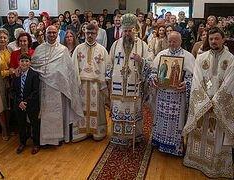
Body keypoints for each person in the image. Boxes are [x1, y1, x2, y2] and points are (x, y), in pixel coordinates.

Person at [183, 27, 234, 179]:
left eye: (216, 39)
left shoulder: (231, 59)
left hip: (219, 107)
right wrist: (204, 103)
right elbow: (196, 81)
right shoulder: (201, 57)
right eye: (211, 39)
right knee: (201, 132)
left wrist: (215, 103)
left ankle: (215, 167)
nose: (213, 41)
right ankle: (195, 160)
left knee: (216, 134)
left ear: (223, 40)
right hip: (202, 105)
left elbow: (230, 83)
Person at [31, 25, 83, 145]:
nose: (52, 35)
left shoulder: (62, 50)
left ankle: (58, 139)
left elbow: (69, 70)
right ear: (45, 34)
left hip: (58, 88)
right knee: (45, 114)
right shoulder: (39, 48)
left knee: (57, 113)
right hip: (43, 87)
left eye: (54, 33)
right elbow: (33, 65)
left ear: (57, 34)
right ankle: (45, 141)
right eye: (50, 33)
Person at [107, 13, 150, 145]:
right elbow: (110, 63)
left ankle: (134, 136)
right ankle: (118, 136)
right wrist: (108, 80)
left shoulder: (142, 45)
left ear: (134, 30)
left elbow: (150, 63)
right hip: (118, 86)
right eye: (125, 30)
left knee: (132, 110)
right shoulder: (115, 44)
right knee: (119, 108)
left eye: (129, 30)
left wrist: (141, 60)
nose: (127, 33)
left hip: (133, 86)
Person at [149, 31, 195, 156]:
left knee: (176, 121)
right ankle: (158, 141)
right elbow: (153, 71)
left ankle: (175, 147)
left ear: (180, 41)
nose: (172, 43)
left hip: (178, 96)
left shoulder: (188, 56)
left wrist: (187, 84)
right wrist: (153, 79)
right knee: (160, 119)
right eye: (170, 41)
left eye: (174, 41)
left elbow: (193, 77)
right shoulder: (161, 55)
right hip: (162, 94)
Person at [71, 23, 109, 142]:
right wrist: (75, 82)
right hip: (81, 84)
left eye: (92, 33)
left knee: (97, 108)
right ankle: (82, 132)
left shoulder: (102, 50)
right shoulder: (78, 48)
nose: (90, 35)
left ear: (97, 34)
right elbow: (73, 67)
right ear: (84, 33)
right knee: (81, 108)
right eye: (88, 33)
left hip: (96, 85)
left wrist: (105, 84)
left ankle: (97, 131)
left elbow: (107, 67)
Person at [12, 53, 40, 154]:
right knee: (21, 124)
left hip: (31, 104)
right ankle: (22, 142)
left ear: (30, 63)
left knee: (35, 124)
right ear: (19, 62)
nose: (24, 63)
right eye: (22, 61)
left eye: (26, 61)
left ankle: (36, 144)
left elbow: (36, 91)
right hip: (19, 104)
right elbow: (13, 91)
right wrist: (19, 102)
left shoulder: (34, 75)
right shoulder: (16, 75)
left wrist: (26, 102)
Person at [0, 29, 11, 141]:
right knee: (0, 105)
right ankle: (4, 129)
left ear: (7, 39)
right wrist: (8, 72)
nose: (2, 39)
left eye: (4, 38)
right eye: (0, 37)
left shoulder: (10, 50)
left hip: (10, 81)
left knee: (8, 105)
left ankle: (8, 127)